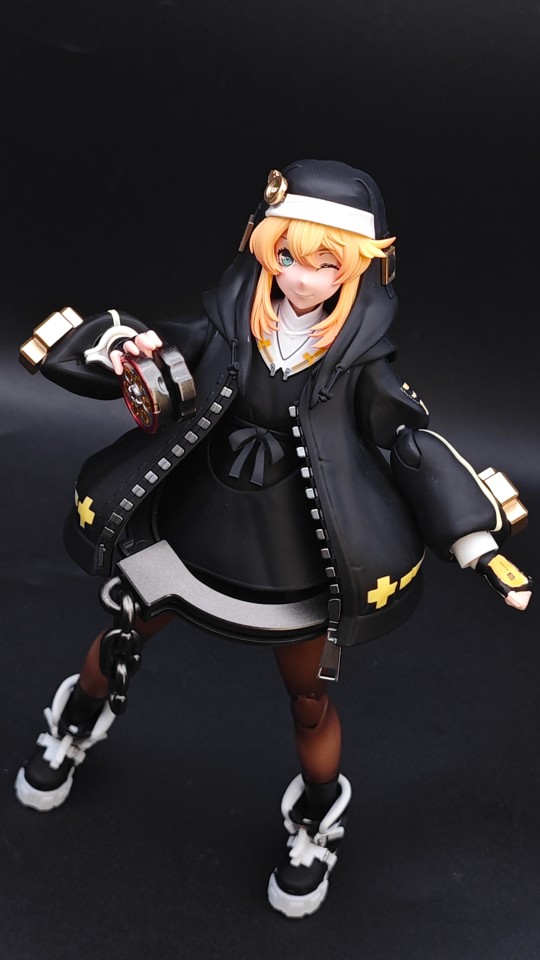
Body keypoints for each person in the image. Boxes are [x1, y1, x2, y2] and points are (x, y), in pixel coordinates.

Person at [15, 159, 532, 919]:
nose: (299, 276)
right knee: (125, 630)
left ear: (358, 269)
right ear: (262, 246)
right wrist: (116, 352)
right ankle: (72, 728)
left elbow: (409, 446)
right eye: (286, 255)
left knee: (310, 700)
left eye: (324, 264)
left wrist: (474, 543)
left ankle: (316, 821)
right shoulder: (230, 327)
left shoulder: (360, 364)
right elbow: (153, 354)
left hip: (297, 552)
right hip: (194, 523)